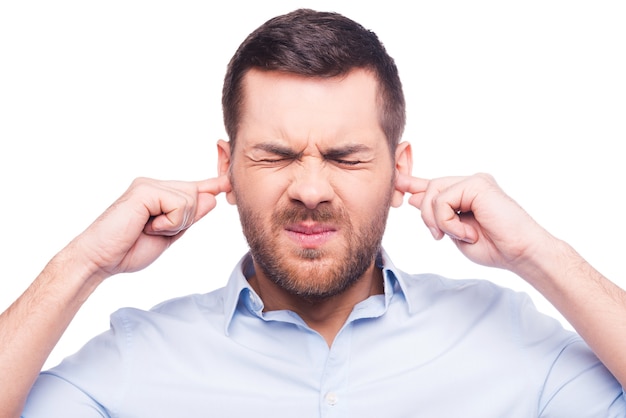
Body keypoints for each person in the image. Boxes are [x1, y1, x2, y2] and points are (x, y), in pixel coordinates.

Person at [1, 8, 625, 417]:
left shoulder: (505, 335)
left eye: (346, 158)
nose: (309, 189)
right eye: (275, 156)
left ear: (398, 171)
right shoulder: (137, 358)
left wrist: (537, 253)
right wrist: (83, 263)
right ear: (228, 171)